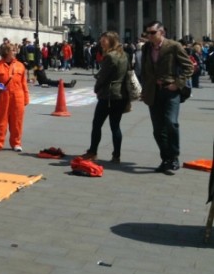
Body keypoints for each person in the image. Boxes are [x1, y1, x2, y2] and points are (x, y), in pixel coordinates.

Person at [140, 20, 194, 174]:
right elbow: (144, 70)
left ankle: (174, 156)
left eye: (152, 33)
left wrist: (177, 84)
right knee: (158, 129)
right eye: (147, 33)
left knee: (171, 122)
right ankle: (166, 158)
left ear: (161, 32)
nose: (149, 36)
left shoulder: (173, 46)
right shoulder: (146, 48)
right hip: (153, 92)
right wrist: (144, 88)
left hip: (170, 91)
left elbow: (189, 66)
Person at [82, 31, 129, 163]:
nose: (101, 44)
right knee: (115, 126)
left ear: (112, 41)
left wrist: (97, 87)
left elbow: (104, 76)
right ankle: (116, 155)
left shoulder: (110, 56)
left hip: (108, 95)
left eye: (104, 41)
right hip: (121, 95)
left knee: (97, 124)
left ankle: (92, 152)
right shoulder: (125, 55)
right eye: (101, 41)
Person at [0, 43, 29, 153]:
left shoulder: (20, 65)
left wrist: (26, 97)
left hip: (18, 96)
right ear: (7, 52)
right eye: (13, 50)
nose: (15, 52)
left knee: (17, 121)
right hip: (4, 96)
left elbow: (24, 83)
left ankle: (16, 143)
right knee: (1, 121)